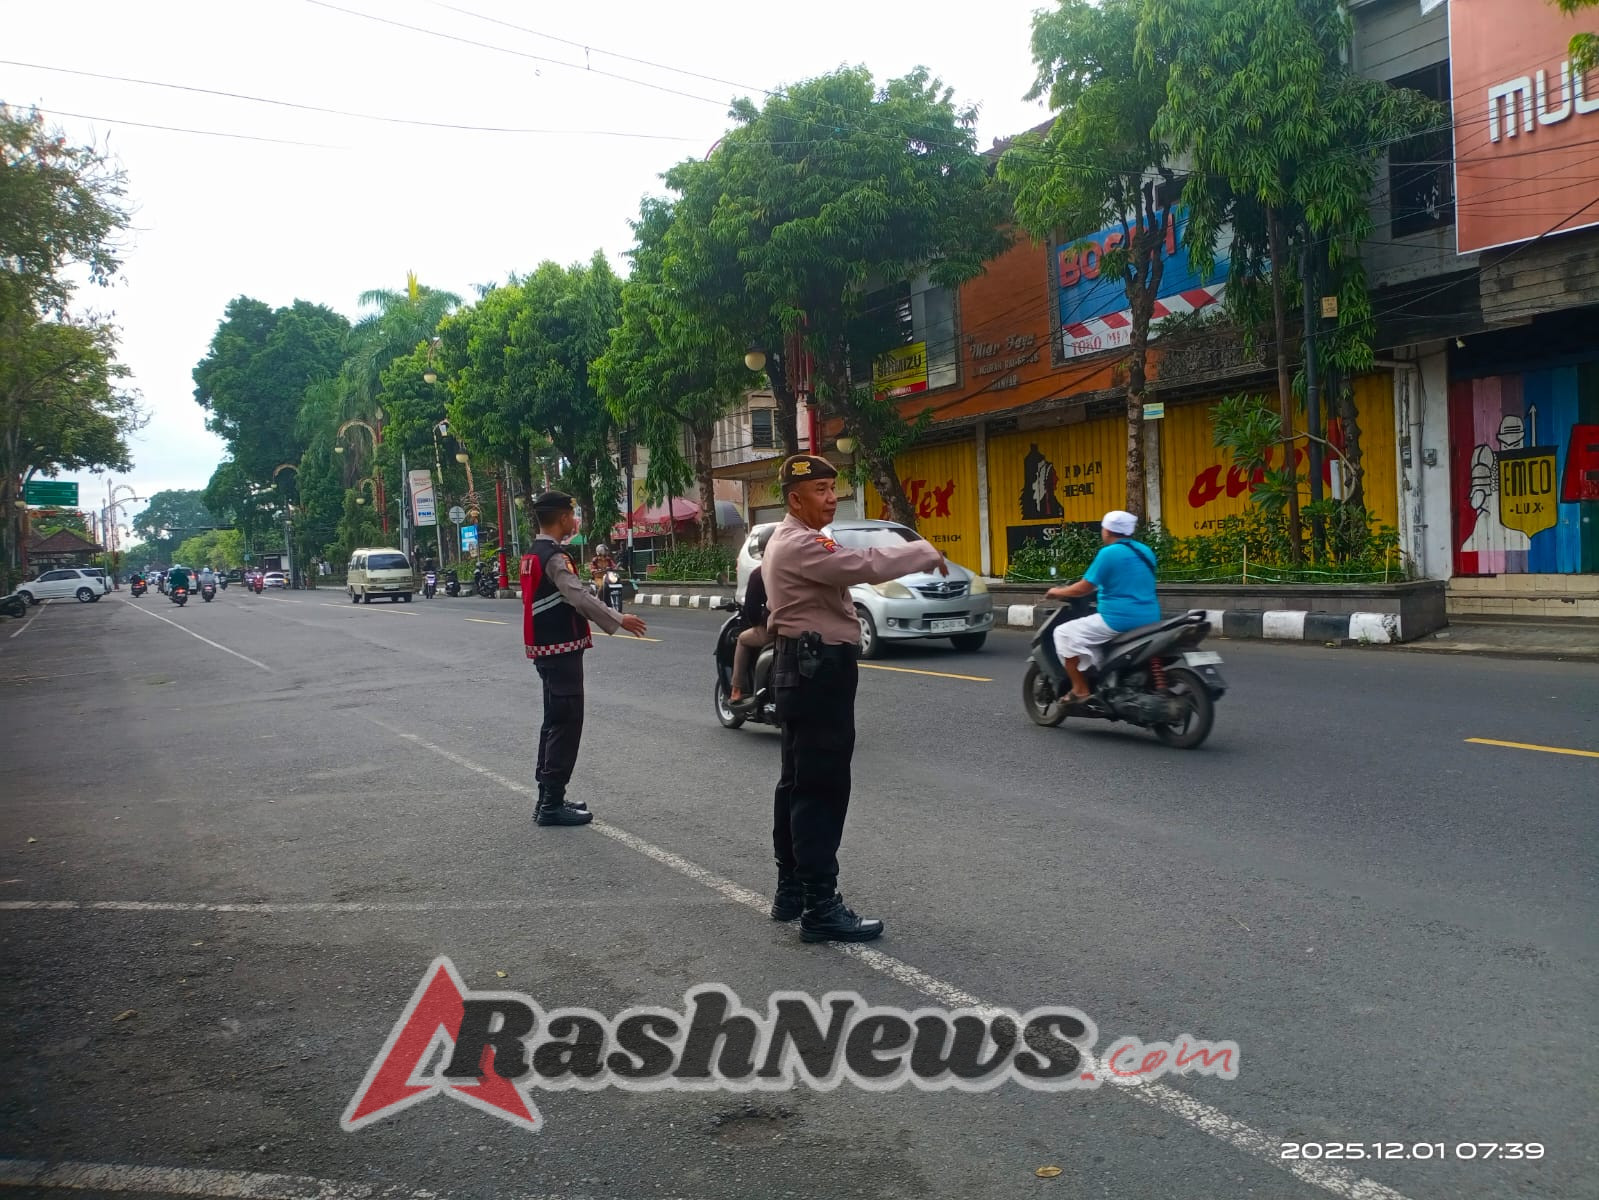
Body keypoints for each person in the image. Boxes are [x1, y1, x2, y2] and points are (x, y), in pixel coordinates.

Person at [761, 454, 948, 944]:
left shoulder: (799, 537)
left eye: (832, 488)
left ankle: (792, 891)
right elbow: (859, 566)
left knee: (797, 782)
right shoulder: (798, 542)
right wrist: (921, 551)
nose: (830, 498)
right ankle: (820, 905)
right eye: (820, 490)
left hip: (802, 664)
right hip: (816, 667)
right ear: (794, 498)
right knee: (821, 786)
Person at [522, 491, 648, 827]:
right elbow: (577, 596)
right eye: (572, 514)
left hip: (548, 651)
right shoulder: (553, 557)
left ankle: (549, 798)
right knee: (565, 723)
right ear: (563, 518)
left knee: (554, 721)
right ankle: (550, 805)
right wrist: (618, 619)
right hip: (560, 650)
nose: (574, 520)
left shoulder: (536, 553)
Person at [1044, 510, 1160, 704]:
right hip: (1151, 618)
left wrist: (1057, 592)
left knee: (1063, 633)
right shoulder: (1145, 551)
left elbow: (1083, 588)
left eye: (1103, 528)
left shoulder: (1109, 553)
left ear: (1109, 530)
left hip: (1117, 619)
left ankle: (1080, 689)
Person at [729, 526, 777, 712]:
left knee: (742, 639)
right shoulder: (798, 569)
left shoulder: (760, 573)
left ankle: (736, 689)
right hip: (803, 627)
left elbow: (751, 610)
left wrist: (757, 622)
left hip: (773, 630)